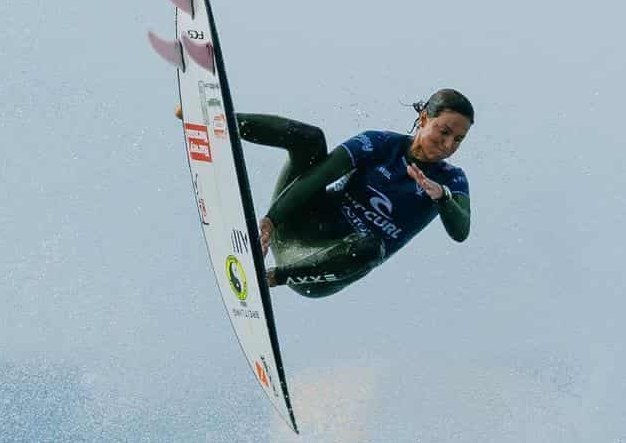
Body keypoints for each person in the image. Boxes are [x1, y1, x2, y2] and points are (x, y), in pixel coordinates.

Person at [182, 88, 473, 298]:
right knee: (311, 139)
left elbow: (460, 231)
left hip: (322, 269)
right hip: (296, 228)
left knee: (371, 245)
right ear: (424, 119)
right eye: (443, 131)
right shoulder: (380, 143)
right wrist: (271, 221)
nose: (448, 145)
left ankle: (270, 278)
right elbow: (320, 176)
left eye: (458, 139)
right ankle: (215, 121)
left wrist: (442, 197)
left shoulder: (451, 180)